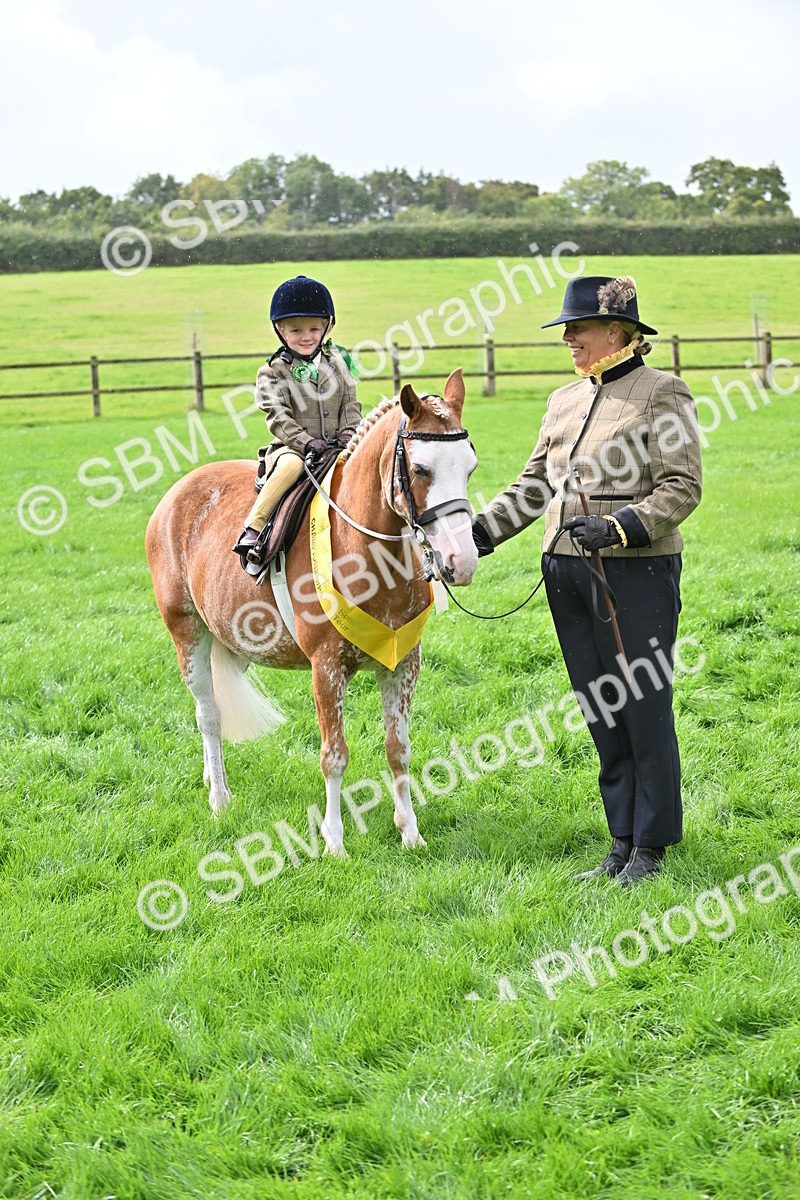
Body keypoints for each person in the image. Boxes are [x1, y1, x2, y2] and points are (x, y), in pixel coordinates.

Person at [472, 275, 702, 886]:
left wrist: (625, 525)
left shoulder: (663, 392)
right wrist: (481, 532)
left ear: (618, 332)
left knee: (642, 706)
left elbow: (682, 486)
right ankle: (619, 840)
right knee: (600, 707)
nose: (568, 338)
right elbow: (532, 486)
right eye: (566, 330)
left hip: (635, 571)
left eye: (578, 328)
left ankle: (650, 847)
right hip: (565, 572)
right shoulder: (563, 401)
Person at [233, 274, 362, 569]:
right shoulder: (272, 371)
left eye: (314, 329)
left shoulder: (338, 363)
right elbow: (279, 418)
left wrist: (350, 433)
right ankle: (254, 529)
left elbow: (351, 404)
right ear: (280, 330)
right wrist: (307, 443)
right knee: (293, 466)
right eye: (296, 330)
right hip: (293, 448)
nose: (306, 336)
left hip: (339, 443)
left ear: (327, 327)